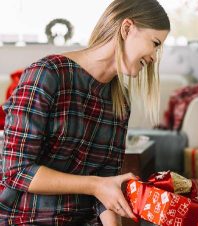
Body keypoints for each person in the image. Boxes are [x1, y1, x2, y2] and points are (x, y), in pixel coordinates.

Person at [0, 0, 170, 225]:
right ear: (127, 28)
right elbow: (17, 171)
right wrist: (95, 185)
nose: (154, 58)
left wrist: (105, 193)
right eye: (155, 43)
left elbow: (107, 188)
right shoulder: (48, 74)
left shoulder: (120, 100)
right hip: (26, 219)